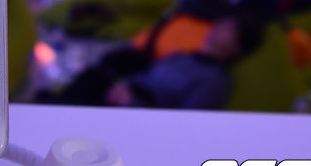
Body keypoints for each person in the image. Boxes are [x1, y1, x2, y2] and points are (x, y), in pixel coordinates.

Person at [106, 14, 262, 109]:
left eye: (229, 29)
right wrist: (121, 88)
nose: (220, 27)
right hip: (118, 96)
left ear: (237, 48)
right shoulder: (181, 56)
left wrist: (130, 103)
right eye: (223, 23)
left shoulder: (215, 81)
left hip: (138, 115)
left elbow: (184, 124)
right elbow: (146, 76)